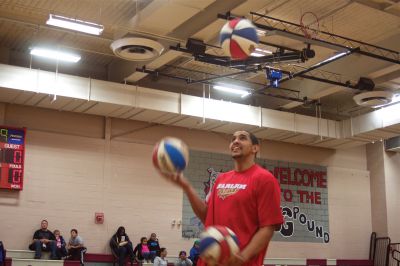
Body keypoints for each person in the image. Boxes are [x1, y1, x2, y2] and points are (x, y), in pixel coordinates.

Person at [157, 131, 284, 266]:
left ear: (255, 148)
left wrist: (242, 257)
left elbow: (268, 227)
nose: (235, 141)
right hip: (209, 260)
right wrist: (187, 188)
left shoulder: (265, 179)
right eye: (233, 139)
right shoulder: (221, 179)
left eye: (242, 138)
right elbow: (207, 217)